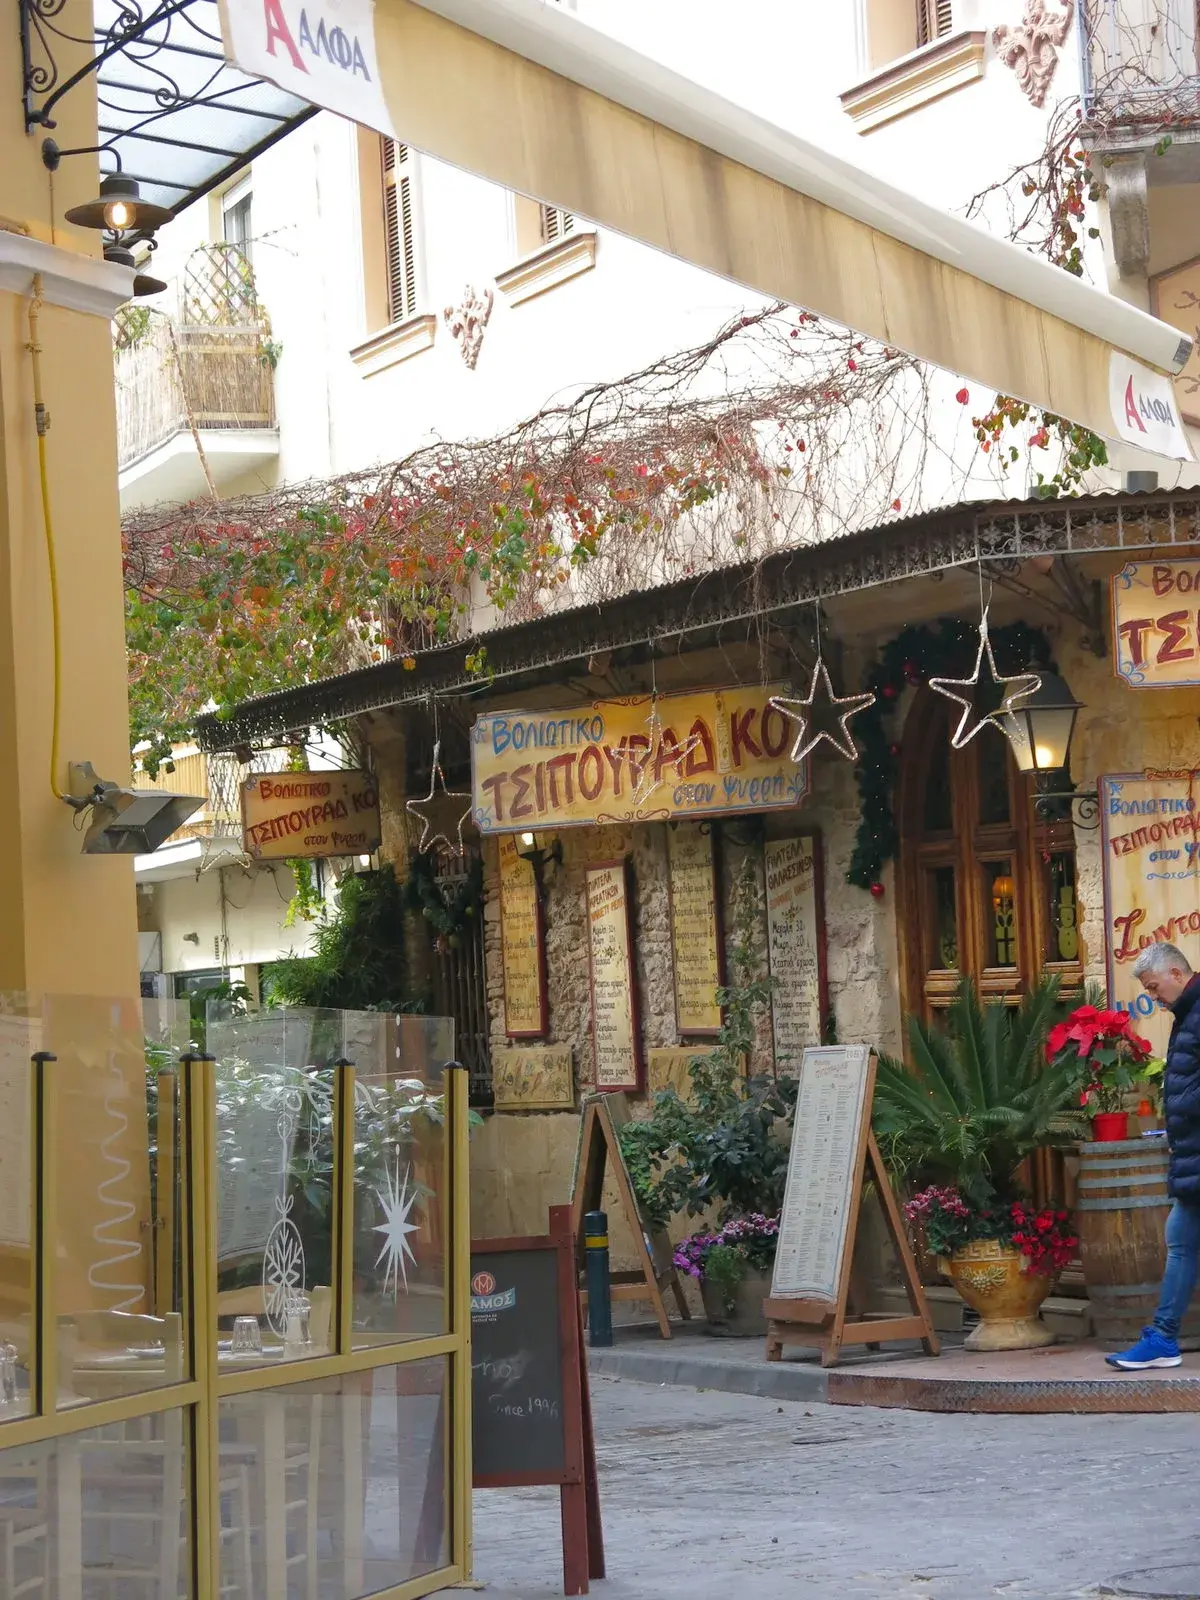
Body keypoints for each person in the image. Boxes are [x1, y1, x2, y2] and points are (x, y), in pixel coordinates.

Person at [1107, 942, 1200, 1370]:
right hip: (1192, 1156)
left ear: (1176, 974)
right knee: (1181, 1241)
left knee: (1181, 1243)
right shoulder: (1188, 1014)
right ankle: (1162, 1338)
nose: (1154, 996)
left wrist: (1182, 1107)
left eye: (1154, 986)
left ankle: (1163, 1338)